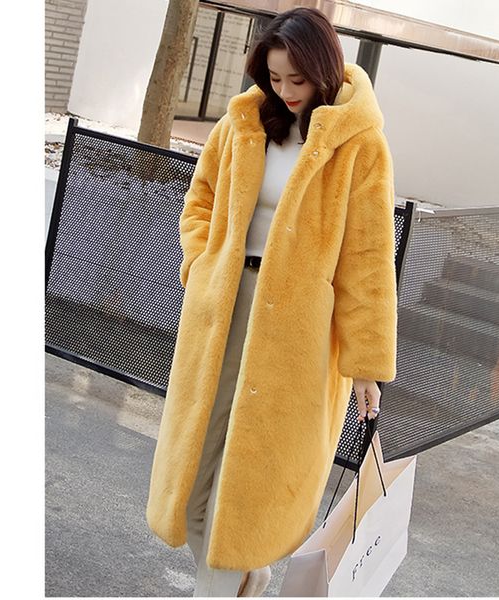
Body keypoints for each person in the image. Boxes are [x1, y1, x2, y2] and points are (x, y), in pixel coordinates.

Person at [146, 6, 397, 597]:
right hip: (223, 309)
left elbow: (367, 258)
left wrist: (365, 363)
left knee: (250, 487)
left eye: (297, 79)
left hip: (298, 333)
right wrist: (202, 265)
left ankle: (225, 582)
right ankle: (244, 578)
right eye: (275, 77)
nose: (284, 91)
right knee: (197, 469)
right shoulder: (242, 124)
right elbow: (200, 200)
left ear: (324, 70)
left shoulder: (360, 147)